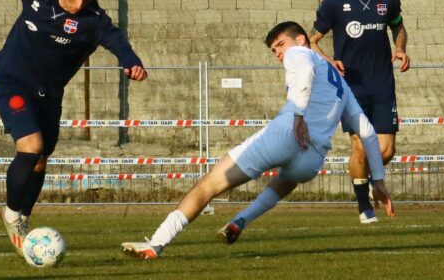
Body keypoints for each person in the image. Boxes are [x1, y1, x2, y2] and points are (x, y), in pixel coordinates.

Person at [121, 21, 394, 259]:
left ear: (300, 39)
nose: (278, 52)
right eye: (274, 49)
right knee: (286, 180)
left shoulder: (300, 51)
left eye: (280, 44)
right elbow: (368, 133)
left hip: (287, 133)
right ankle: (242, 219)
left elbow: (306, 74)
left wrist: (298, 116)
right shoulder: (341, 82)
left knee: (208, 185)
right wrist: (378, 181)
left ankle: (156, 243)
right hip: (311, 161)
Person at [0, 0, 148, 256]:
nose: (81, 5)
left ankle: (22, 217)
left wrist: (132, 62)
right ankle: (10, 212)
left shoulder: (93, 20)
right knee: (31, 145)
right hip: (13, 80)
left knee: (40, 160)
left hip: (49, 93)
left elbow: (118, 42)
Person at [310, 0, 409, 224]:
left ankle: (361, 178)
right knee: (361, 148)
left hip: (382, 84)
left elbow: (398, 26)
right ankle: (364, 206)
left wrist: (400, 48)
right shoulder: (333, 1)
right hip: (351, 87)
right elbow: (312, 39)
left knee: (386, 150)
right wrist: (328, 61)